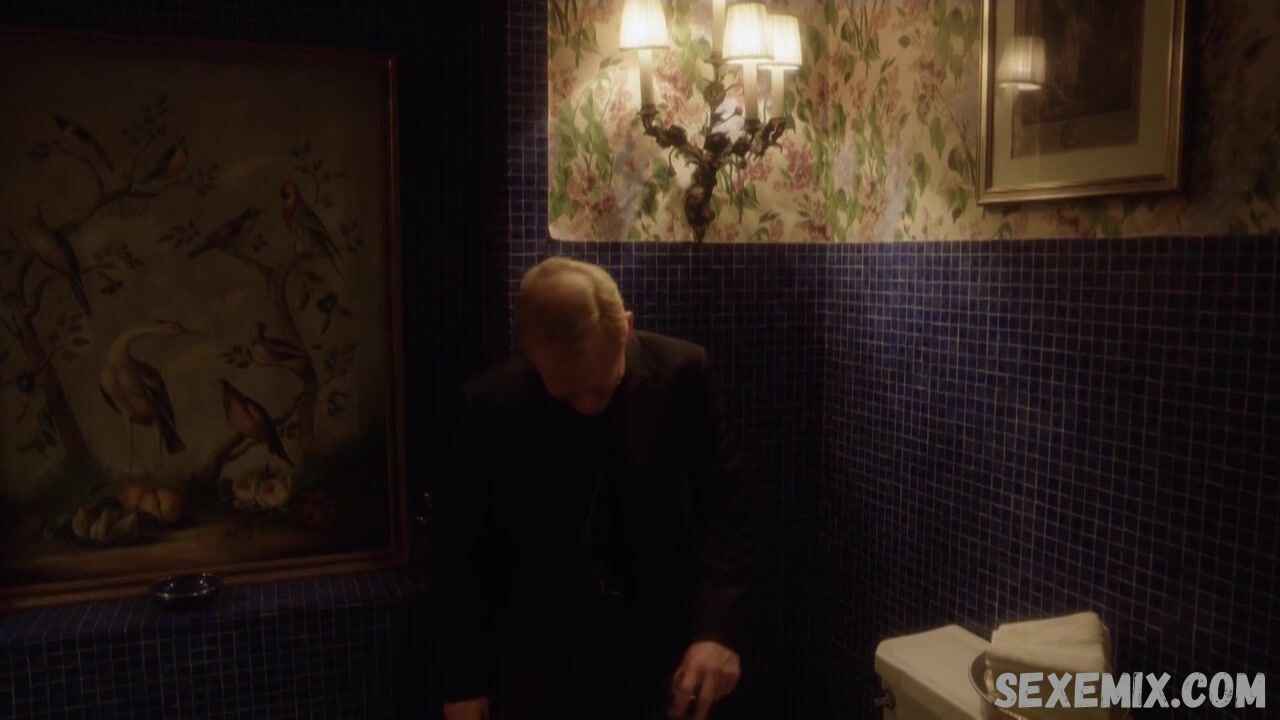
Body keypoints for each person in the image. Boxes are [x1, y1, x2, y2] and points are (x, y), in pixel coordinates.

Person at [431, 256, 756, 720]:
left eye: (602, 387)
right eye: (567, 391)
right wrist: (463, 683)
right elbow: (456, 552)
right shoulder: (490, 407)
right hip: (539, 665)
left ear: (627, 327)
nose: (587, 404)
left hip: (663, 653)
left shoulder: (681, 373)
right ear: (533, 356)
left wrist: (717, 629)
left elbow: (725, 506)